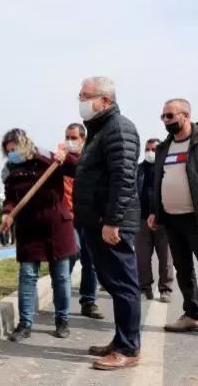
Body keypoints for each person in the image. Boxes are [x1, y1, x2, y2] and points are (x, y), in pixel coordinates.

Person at [73, 77, 141, 370]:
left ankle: (128, 349)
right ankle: (120, 339)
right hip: (96, 222)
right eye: (80, 95)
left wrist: (112, 221)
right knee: (113, 284)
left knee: (124, 285)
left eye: (86, 96)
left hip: (111, 223)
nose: (81, 101)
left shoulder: (119, 128)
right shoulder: (100, 130)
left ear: (105, 100)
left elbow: (124, 179)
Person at [0, 129, 77, 342]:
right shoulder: (10, 170)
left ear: (24, 145)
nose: (11, 154)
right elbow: (9, 197)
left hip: (56, 226)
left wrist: (66, 157)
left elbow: (77, 168)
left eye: (14, 150)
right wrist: (7, 212)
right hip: (28, 228)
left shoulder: (48, 159)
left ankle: (62, 320)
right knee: (27, 276)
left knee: (61, 277)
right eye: (8, 152)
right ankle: (25, 324)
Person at [148, 98, 198, 333]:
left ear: (186, 116)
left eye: (170, 116)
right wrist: (154, 212)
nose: (165, 120)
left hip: (194, 217)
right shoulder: (163, 148)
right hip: (172, 218)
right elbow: (158, 182)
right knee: (183, 268)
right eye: (163, 116)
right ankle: (192, 313)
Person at [64, 123, 104, 320]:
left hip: (89, 218)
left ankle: (89, 301)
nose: (70, 141)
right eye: (67, 137)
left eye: (74, 138)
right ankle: (61, 294)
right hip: (69, 218)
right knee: (71, 254)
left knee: (91, 261)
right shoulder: (61, 162)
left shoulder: (91, 161)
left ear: (83, 140)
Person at [136, 138, 173, 302]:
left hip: (163, 220)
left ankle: (165, 289)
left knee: (165, 258)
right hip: (141, 221)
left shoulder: (167, 169)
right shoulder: (138, 170)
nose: (150, 152)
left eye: (154, 149)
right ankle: (145, 288)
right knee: (142, 258)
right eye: (148, 149)